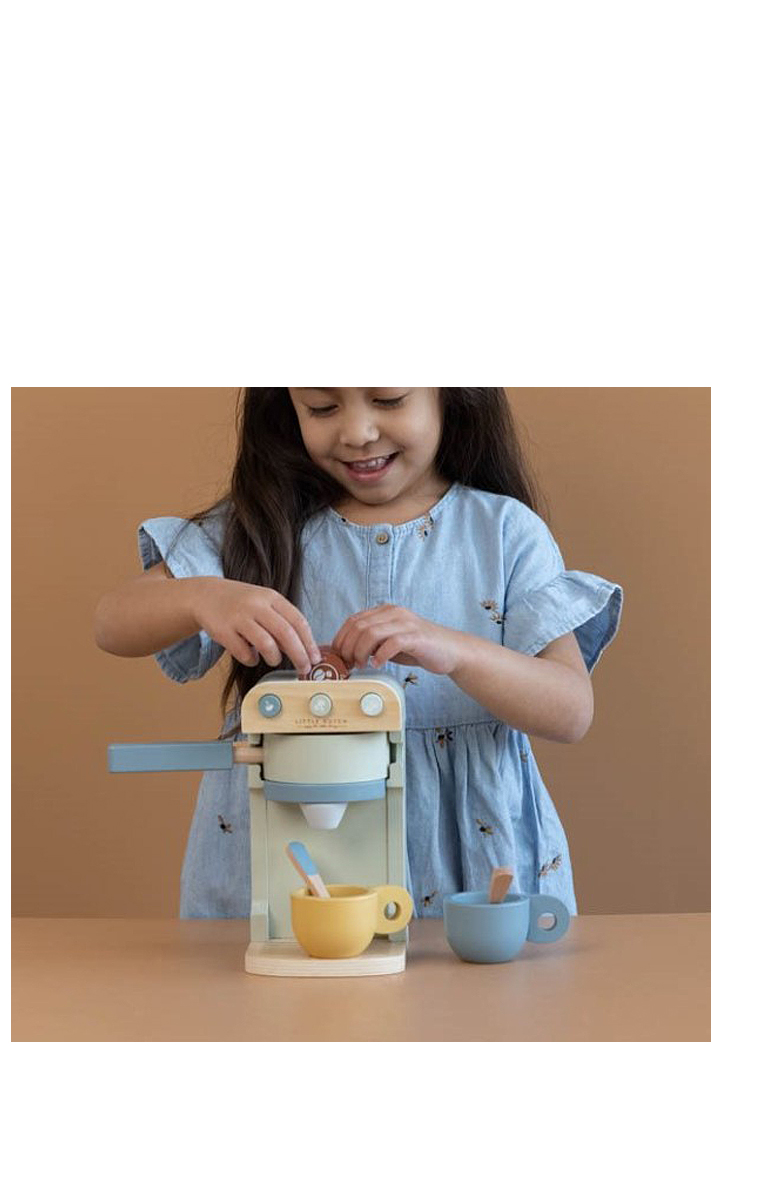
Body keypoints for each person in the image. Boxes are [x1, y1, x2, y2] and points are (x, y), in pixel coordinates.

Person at [95, 388, 623, 918]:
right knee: (279, 968)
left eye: (388, 399)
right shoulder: (258, 525)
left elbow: (570, 710)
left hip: (467, 873)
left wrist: (457, 650)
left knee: (465, 975)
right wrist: (201, 597)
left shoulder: (504, 532)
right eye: (322, 408)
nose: (357, 432)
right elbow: (112, 623)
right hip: (288, 852)